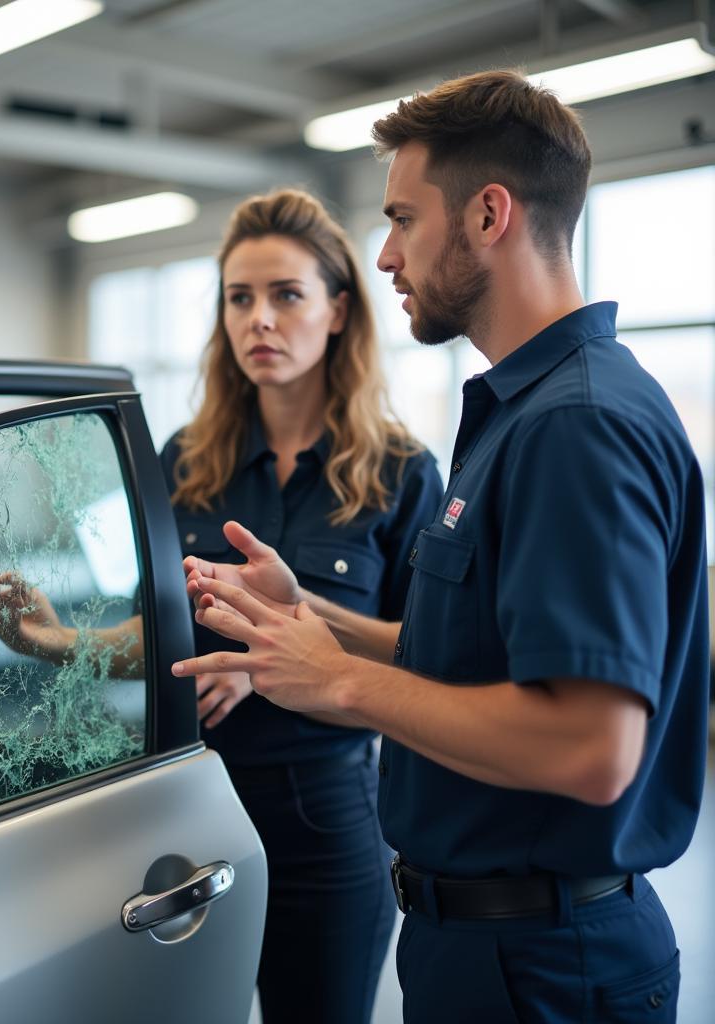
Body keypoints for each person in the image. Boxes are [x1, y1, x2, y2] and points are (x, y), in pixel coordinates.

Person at [172, 71, 709, 1023]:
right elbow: (464, 656)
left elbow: (592, 747)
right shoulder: (522, 411)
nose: (385, 256)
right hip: (480, 943)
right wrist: (309, 619)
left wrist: (336, 683)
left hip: (544, 964)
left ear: (489, 215)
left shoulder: (575, 426)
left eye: (403, 219)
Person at [160, 188, 443, 1024]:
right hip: (186, 809)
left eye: (286, 295)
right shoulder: (184, 460)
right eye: (239, 298)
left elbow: (426, 650)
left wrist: (275, 655)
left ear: (339, 311)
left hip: (324, 820)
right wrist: (55, 638)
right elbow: (157, 626)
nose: (260, 320)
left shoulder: (401, 472)